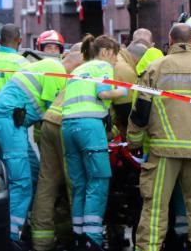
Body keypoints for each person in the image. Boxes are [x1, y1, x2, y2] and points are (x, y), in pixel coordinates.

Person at [127, 23, 191, 251]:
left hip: (162, 152)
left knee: (155, 208)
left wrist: (134, 143)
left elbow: (140, 113)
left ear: (171, 41)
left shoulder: (155, 69)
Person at [0, 47, 83, 249]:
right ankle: (10, 238)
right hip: (9, 123)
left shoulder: (51, 67)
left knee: (33, 173)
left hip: (14, 124)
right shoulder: (55, 70)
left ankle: (22, 227)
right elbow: (55, 112)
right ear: (76, 67)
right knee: (21, 182)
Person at [61, 34, 127, 250]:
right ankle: (92, 238)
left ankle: (79, 235)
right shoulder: (102, 67)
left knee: (79, 184)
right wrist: (125, 90)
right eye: (116, 56)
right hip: (89, 128)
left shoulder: (79, 69)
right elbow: (105, 93)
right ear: (107, 52)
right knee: (98, 181)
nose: (116, 62)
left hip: (68, 128)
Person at [31, 47, 83, 251]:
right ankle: (78, 237)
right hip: (66, 125)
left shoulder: (56, 68)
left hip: (47, 126)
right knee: (74, 183)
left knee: (47, 184)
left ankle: (41, 241)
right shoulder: (87, 71)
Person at [112, 42, 148, 138]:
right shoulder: (125, 69)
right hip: (104, 124)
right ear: (138, 60)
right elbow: (125, 106)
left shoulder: (118, 59)